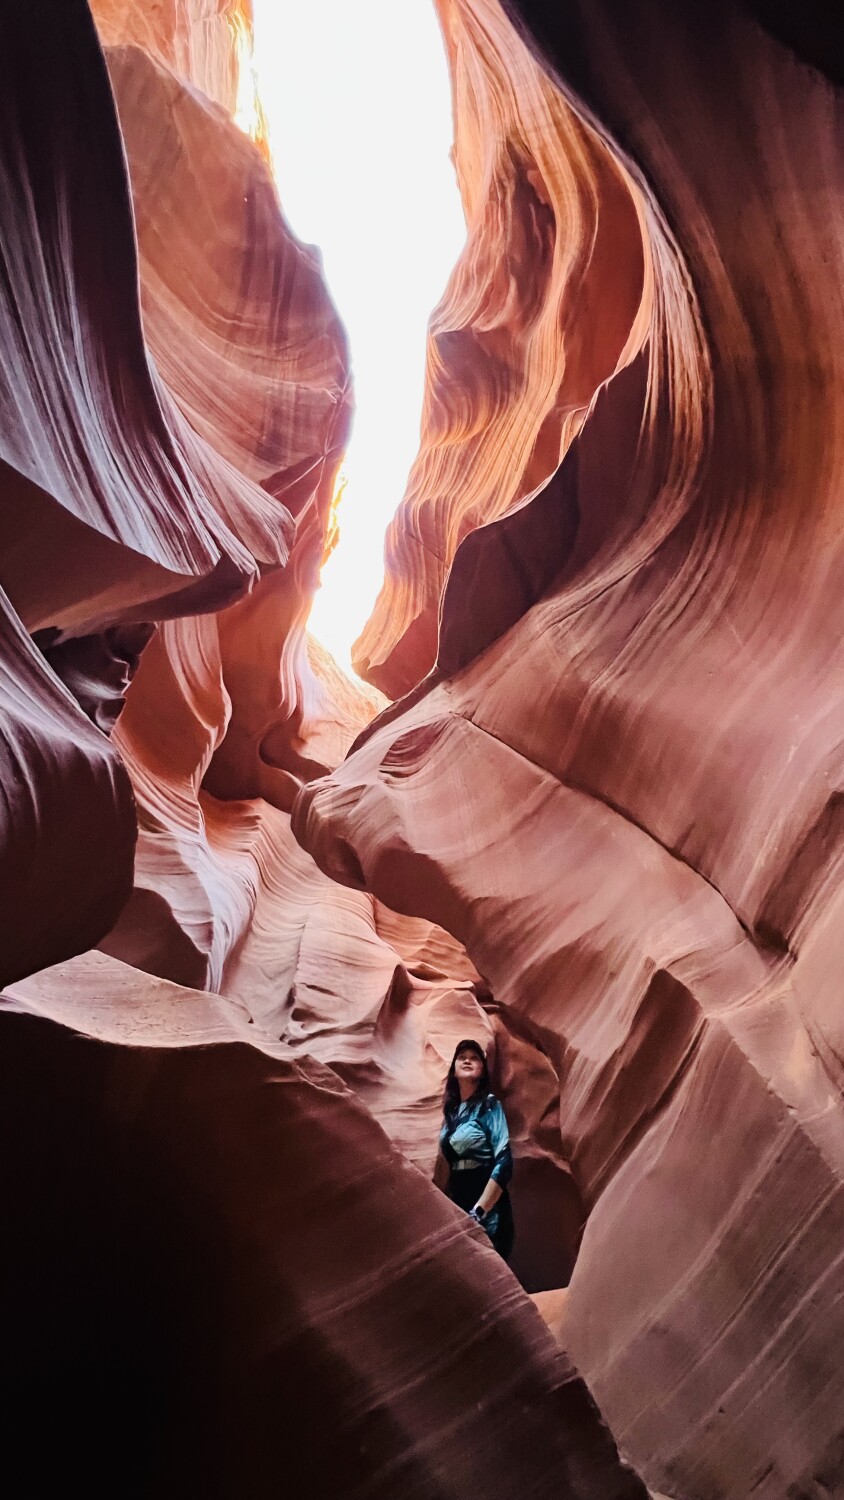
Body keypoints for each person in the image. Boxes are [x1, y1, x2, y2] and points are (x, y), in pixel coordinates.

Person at [433, 1038, 514, 1260]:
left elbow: (504, 1162)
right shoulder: (451, 1114)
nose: (467, 1061)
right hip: (459, 1201)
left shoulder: (488, 1105)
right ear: (453, 1070)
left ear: (482, 1071)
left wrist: (480, 1211)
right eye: (462, 1058)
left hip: (487, 1207)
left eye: (474, 1058)